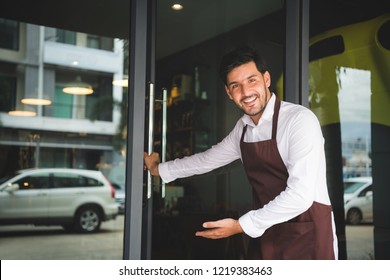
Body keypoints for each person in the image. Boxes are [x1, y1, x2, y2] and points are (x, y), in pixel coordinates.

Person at [144, 46, 338, 260]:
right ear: (229, 92)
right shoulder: (243, 129)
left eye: (251, 80)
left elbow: (300, 196)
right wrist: (158, 169)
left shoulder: (299, 120)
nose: (246, 93)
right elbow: (206, 160)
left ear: (266, 79)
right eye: (236, 86)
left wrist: (240, 226)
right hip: (266, 232)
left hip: (307, 233)